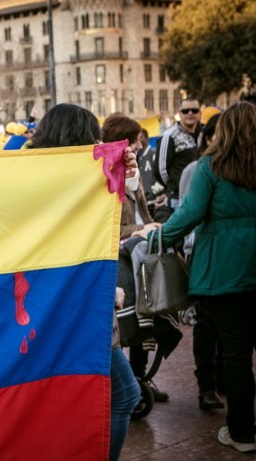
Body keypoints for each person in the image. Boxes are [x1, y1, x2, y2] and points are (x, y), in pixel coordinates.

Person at [21, 104, 149, 461]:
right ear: (77, 138)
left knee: (49, 399)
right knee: (125, 394)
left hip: (41, 310)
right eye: (91, 136)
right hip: (80, 309)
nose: (97, 144)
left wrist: (123, 164)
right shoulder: (75, 183)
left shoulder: (31, 179)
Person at [138, 102, 256, 453]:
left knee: (235, 353)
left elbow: (188, 214)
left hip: (226, 271)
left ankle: (242, 432)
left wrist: (156, 238)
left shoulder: (211, 167)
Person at [101, 114, 171, 404]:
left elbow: (144, 212)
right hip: (121, 261)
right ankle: (126, 385)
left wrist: (152, 226)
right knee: (126, 324)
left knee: (147, 320)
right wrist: (145, 228)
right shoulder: (106, 175)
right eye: (136, 141)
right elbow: (111, 228)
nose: (141, 146)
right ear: (124, 143)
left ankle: (140, 378)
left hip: (142, 255)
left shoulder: (134, 173)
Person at [177, 113, 225, 411]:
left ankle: (222, 380)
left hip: (228, 255)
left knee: (230, 325)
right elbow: (187, 212)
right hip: (202, 253)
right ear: (207, 138)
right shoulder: (198, 169)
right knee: (206, 323)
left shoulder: (239, 166)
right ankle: (207, 386)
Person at [157, 97, 201, 209]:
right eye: (185, 111)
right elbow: (160, 170)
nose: (190, 113)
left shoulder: (203, 135)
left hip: (201, 195)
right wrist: (175, 187)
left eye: (194, 110)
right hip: (178, 199)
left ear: (200, 113)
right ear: (179, 114)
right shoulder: (169, 136)